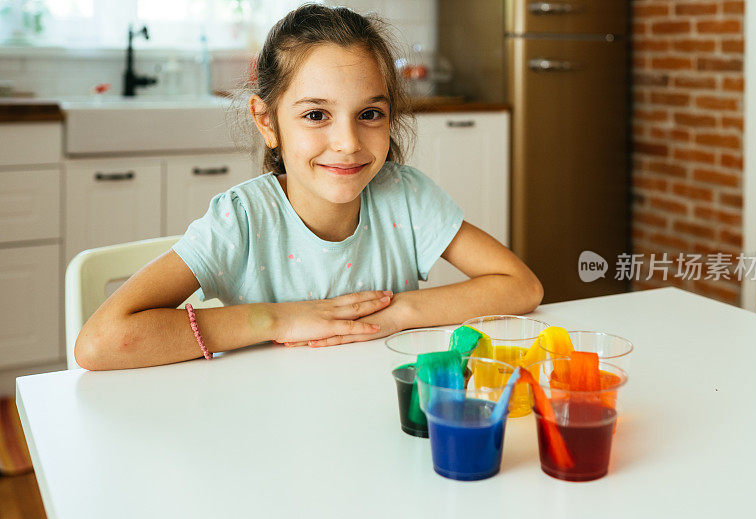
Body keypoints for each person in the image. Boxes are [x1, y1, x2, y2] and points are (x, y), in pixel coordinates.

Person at [75, 4, 543, 371]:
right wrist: (279, 317)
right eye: (316, 115)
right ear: (267, 121)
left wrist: (394, 314)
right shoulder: (241, 221)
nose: (347, 143)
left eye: (370, 114)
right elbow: (101, 342)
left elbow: (521, 287)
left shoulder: (406, 196)